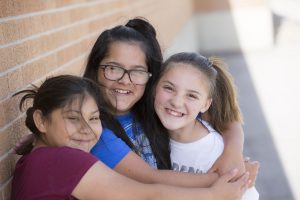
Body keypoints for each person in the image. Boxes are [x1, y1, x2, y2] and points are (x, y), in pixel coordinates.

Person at [11, 75, 249, 200]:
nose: (86, 129)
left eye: (94, 119)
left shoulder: (38, 158)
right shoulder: (63, 160)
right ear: (41, 120)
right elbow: (146, 195)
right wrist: (214, 194)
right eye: (73, 118)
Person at [84, 17, 256, 187]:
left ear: (150, 78)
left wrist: (232, 154)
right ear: (95, 68)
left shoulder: (153, 106)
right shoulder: (95, 129)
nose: (124, 80)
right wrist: (232, 177)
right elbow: (150, 178)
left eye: (137, 71)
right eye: (113, 68)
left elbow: (226, 121)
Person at [153, 52, 259, 199]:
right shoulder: (144, 132)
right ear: (154, 87)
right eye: (169, 88)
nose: (176, 102)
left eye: (191, 95)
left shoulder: (217, 152)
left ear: (205, 105)